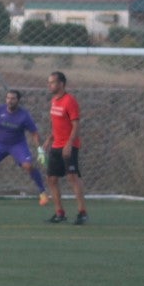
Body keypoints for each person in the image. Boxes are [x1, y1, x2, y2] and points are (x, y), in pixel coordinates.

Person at [42, 71, 88, 224]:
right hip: (56, 145)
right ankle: (60, 212)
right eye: (49, 82)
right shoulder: (54, 101)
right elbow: (57, 125)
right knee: (51, 179)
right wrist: (50, 138)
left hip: (69, 146)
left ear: (61, 84)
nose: (49, 85)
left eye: (52, 82)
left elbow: (75, 125)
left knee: (72, 177)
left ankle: (82, 212)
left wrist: (69, 144)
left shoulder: (70, 101)